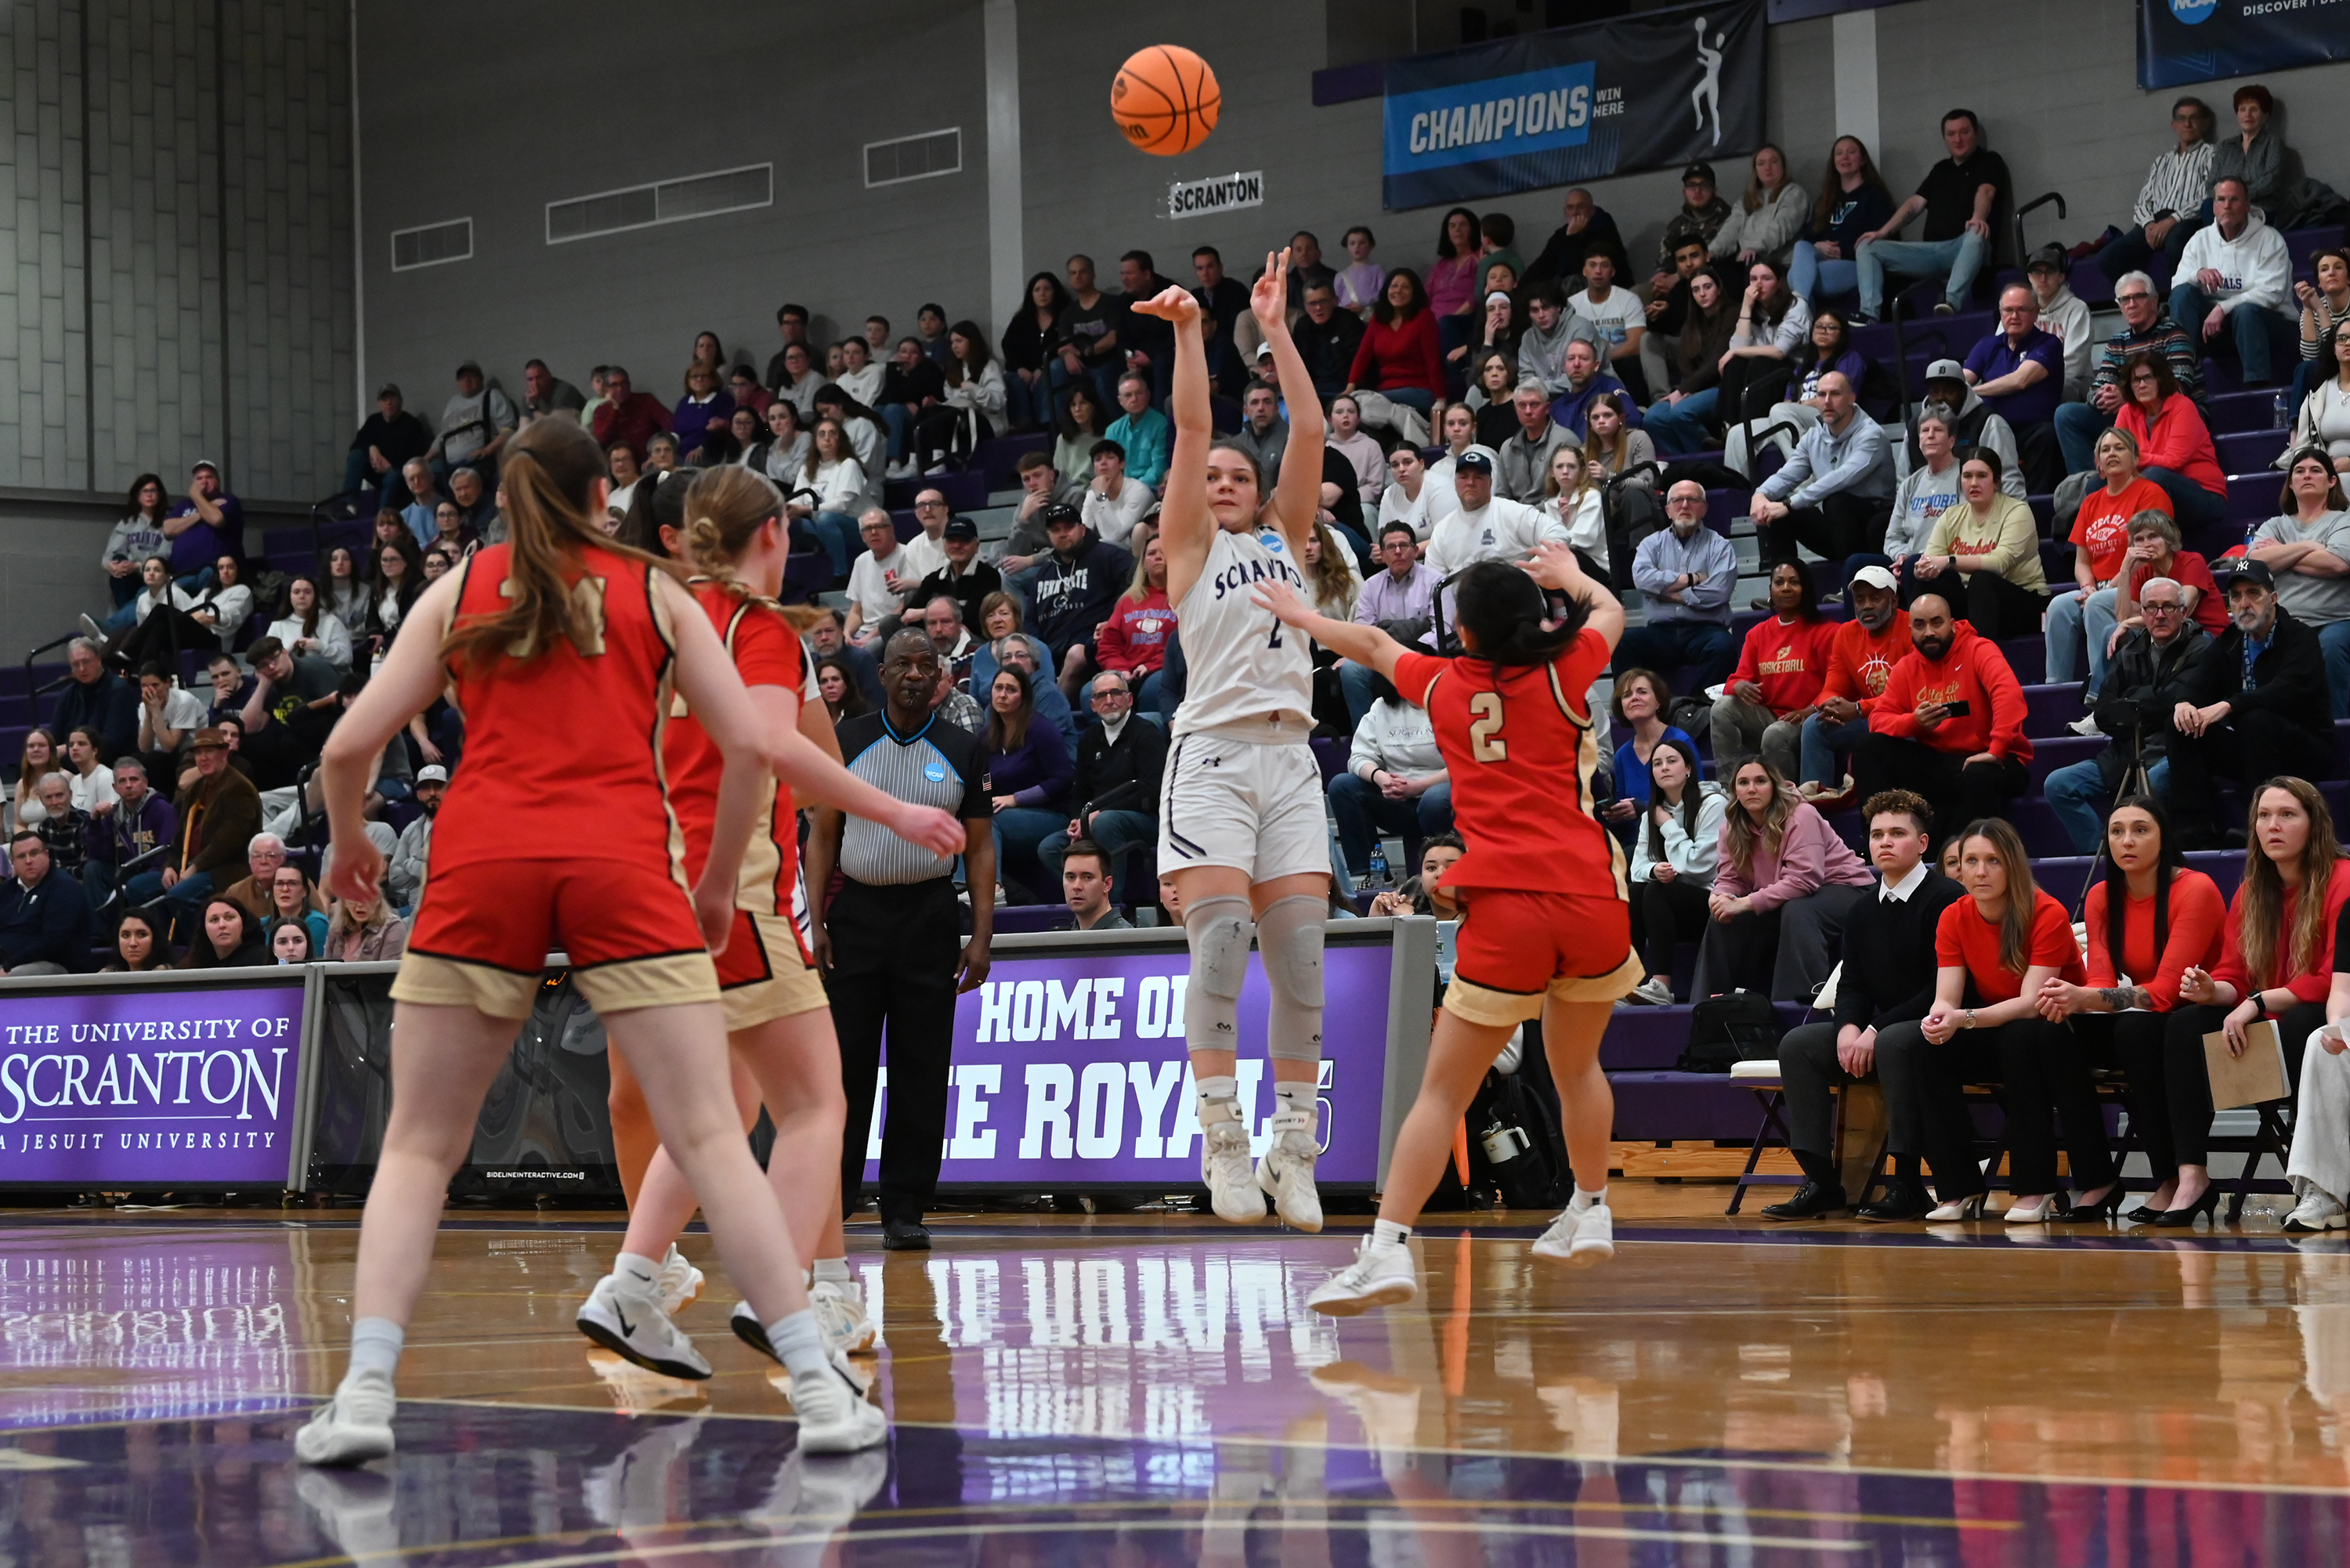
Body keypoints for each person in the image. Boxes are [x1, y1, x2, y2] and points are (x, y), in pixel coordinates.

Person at [293, 416, 902, 1468]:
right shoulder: (654, 591)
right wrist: (715, 887)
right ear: (602, 501)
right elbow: (756, 751)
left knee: (420, 1147)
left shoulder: (464, 587)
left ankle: (362, 1394)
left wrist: (349, 841)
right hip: (621, 862)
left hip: (483, 860)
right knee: (713, 1136)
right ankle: (820, 1389)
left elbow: (347, 745)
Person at [588, 468, 966, 1371]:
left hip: (636, 884)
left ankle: (642, 1283)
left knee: (728, 1107)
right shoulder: (749, 624)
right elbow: (772, 751)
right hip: (733, 883)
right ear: (763, 534)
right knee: (814, 1103)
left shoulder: (637, 621)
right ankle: (790, 1291)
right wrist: (896, 810)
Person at [1274, 546, 1637, 1315]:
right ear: (1531, 619)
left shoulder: (1442, 683)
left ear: (1463, 633)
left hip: (1508, 903)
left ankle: (1386, 1251)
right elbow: (1611, 610)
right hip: (1591, 891)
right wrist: (1569, 575)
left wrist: (1305, 617)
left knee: (1441, 1089)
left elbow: (1372, 644)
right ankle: (1592, 1205)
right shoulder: (1565, 669)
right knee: (1578, 1068)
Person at [1129, 251, 1335, 1233]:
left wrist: (1277, 329)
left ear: (1259, 495)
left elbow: (1310, 426)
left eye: (1233, 476)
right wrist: (1188, 331)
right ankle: (1221, 1137)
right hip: (1210, 755)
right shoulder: (1191, 550)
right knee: (1220, 947)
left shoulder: (1286, 538)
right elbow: (1195, 423)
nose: (1218, 478)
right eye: (1207, 477)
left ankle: (1293, 1145)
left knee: (1299, 963)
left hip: (1292, 759)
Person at [804, 631, 995, 1252]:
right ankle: (831, 1201)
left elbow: (983, 846)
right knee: (845, 1070)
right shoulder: (847, 740)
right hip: (856, 914)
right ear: (882, 674)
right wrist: (817, 921)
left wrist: (982, 934)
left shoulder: (965, 746)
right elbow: (823, 837)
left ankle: (905, 1207)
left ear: (941, 675)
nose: (915, 673)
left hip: (930, 915)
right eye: (903, 664)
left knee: (921, 1068)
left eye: (926, 664)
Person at [1882, 818, 2111, 1223]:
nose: (1980, 871)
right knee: (1925, 1048)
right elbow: (1946, 998)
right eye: (1970, 860)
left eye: (1993, 861)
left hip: (2063, 1029)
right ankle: (1958, 1186)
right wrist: (1939, 1021)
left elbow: (2030, 1003)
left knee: (2021, 1037)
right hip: (2000, 1026)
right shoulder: (1954, 916)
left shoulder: (2047, 911)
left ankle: (2034, 1186)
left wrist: (1962, 1018)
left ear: (2012, 866)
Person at [1763, 789, 1965, 1219]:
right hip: (1883, 1028)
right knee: (1799, 1044)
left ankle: (1908, 1183)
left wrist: (1873, 1030)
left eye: (1897, 833)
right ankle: (1822, 1181)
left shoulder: (1946, 898)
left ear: (1923, 844)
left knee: (1893, 1042)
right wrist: (1848, 1028)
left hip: (1938, 1025)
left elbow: (1939, 988)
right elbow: (1853, 984)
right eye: (1877, 835)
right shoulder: (1861, 909)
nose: (1885, 842)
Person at [2034, 797, 2228, 1224]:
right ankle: (2097, 1178)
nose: (2127, 841)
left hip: (2201, 1015)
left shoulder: (2195, 889)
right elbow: (2101, 980)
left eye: (2141, 830)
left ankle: (2175, 1178)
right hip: (2150, 1021)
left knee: (2135, 1034)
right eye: (2117, 831)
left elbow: (2165, 994)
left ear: (2163, 838)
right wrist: (2073, 1000)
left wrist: (2085, 998)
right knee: (2051, 1033)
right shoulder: (2104, 896)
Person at [2175, 778, 2350, 1228]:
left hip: (2326, 1021)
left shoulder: (2342, 880)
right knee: (2185, 1026)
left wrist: (2255, 1001)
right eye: (2264, 816)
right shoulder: (2252, 891)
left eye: (2287, 815)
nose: (2273, 826)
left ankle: (2319, 1182)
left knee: (2304, 1024)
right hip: (2265, 1030)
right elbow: (2236, 974)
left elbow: (2335, 980)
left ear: (2315, 825)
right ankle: (2190, 1175)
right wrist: (2212, 991)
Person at [2165, 562, 2337, 847]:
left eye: (2253, 594)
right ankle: (2192, 828)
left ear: (2273, 598)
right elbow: (2195, 683)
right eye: (2236, 596)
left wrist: (2229, 705)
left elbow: (2287, 691)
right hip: (2253, 748)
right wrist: (2184, 703)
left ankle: (2259, 824)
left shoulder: (2299, 637)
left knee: (2256, 719)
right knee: (2182, 725)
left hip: (2305, 748)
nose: (2244, 604)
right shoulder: (2229, 642)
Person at [2044, 575, 2214, 854]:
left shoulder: (2203, 647)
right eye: (2151, 608)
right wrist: (2151, 704)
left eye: (2168, 607)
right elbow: (2104, 713)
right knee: (2058, 785)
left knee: (2150, 788)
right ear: (2142, 613)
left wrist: (2134, 702)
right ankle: (2105, 852)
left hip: (2176, 753)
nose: (2159, 615)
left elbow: (2180, 700)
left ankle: (2147, 854)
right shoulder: (2129, 651)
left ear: (2184, 612)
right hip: (2125, 752)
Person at [1693, 757, 1875, 1003]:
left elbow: (1804, 880)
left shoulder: (1801, 815)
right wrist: (1721, 897)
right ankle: (1708, 1007)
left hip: (1848, 889)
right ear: (1735, 790)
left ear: (1774, 786)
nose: (1752, 789)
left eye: (1760, 781)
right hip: (1788, 895)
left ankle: (1796, 1006)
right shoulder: (1731, 826)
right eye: (1743, 783)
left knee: (1799, 910)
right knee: (1723, 918)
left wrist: (1745, 903)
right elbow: (1730, 877)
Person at [1853, 594, 2031, 844]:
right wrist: (1914, 722)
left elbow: (2008, 695)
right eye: (1920, 625)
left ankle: (1962, 855)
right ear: (1910, 629)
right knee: (1867, 747)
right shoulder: (1907, 667)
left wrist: (1997, 749)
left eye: (1937, 623)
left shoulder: (1979, 649)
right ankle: (1878, 839)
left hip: (1994, 759)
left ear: (1952, 623)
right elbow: (1879, 720)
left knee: (1979, 775)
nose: (1929, 632)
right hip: (1943, 763)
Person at [2047, 428, 2176, 692]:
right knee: (2058, 607)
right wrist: (2087, 587)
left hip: (2140, 585)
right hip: (2099, 588)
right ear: (2098, 464)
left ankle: (2101, 691)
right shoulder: (2091, 502)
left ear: (2135, 458)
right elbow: (2082, 561)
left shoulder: (2151, 494)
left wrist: (2103, 590)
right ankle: (2055, 690)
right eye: (2105, 450)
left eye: (2119, 448)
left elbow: (2147, 553)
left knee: (2096, 602)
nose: (2112, 454)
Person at [1853, 108, 2008, 323]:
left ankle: (1951, 302)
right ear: (1944, 138)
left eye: (1964, 132)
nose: (1958, 139)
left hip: (1968, 248)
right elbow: (1914, 204)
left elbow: (1986, 192)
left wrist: (1978, 217)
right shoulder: (1940, 169)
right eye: (1951, 134)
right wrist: (1882, 232)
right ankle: (1869, 314)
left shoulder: (1990, 161)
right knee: (1867, 247)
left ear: (1976, 134)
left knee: (1975, 232)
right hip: (1932, 252)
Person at [2055, 273, 2205, 477]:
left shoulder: (2173, 334)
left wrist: (2127, 397)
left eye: (2138, 297)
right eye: (2125, 299)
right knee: (2067, 415)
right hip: (2130, 417)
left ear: (2153, 302)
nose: (2131, 304)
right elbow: (2095, 390)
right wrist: (2105, 396)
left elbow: (2180, 386)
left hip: (2173, 417)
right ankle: (2089, 488)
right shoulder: (2118, 341)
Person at [1036, 670, 1165, 897]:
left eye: (1115, 693)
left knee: (1106, 822)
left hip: (1145, 819)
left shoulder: (1147, 734)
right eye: (1101, 696)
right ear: (1093, 705)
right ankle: (1090, 900)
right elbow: (1080, 790)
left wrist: (1101, 813)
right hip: (1096, 818)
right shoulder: (1089, 738)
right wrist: (1078, 818)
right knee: (1050, 848)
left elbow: (1151, 791)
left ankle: (1112, 908)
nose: (1109, 701)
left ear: (1129, 699)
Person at [1748, 372, 1892, 572]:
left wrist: (1790, 505)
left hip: (1873, 529)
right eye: (1821, 395)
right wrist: (1761, 494)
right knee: (1776, 511)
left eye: (1835, 394)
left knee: (1837, 501)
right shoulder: (1814, 436)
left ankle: (1853, 582)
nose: (1827, 401)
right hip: (1838, 529)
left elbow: (1841, 478)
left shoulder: (1872, 435)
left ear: (1852, 398)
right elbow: (1788, 474)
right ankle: (1782, 586)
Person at [2248, 449, 2350, 717]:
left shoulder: (2343, 520)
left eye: (2316, 470)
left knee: (2329, 649)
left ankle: (2337, 736)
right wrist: (2310, 546)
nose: (2307, 475)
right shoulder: (2275, 525)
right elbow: (2254, 565)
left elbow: (2338, 563)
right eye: (2299, 471)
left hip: (2335, 621)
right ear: (2291, 484)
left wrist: (2281, 553)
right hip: (2284, 621)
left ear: (2332, 481)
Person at [1710, 559, 1834, 779]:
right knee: (1722, 707)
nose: (1786, 588)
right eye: (1779, 582)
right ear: (1771, 589)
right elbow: (1735, 680)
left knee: (1775, 734)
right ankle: (1727, 790)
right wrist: (1739, 686)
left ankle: (1784, 800)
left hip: (1807, 720)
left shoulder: (1827, 632)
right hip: (1768, 717)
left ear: (1805, 588)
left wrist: (1810, 710)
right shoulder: (1757, 634)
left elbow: (1836, 685)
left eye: (1794, 582)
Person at [2171, 176, 2296, 389]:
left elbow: (2272, 292)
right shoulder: (2199, 240)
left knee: (2246, 311)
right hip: (2216, 329)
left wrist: (2224, 307)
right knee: (2183, 294)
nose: (2227, 206)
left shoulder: (2270, 239)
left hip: (2268, 325)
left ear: (2247, 205)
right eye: (2221, 200)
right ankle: (2180, 375)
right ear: (2213, 207)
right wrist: (2197, 273)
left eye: (2234, 200)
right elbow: (2177, 283)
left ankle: (2258, 387)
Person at [1330, 667, 1452, 885]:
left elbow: (1464, 764)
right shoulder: (1381, 708)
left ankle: (1446, 873)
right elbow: (1358, 757)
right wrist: (1381, 778)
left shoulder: (1449, 705)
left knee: (1435, 799)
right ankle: (1372, 876)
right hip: (1398, 801)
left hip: (1442, 798)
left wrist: (1417, 786)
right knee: (1342, 786)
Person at [1625, 738, 1723, 1006]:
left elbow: (1699, 866)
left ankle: (1662, 985)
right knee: (1636, 891)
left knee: (1657, 891)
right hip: (1665, 909)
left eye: (1671, 761)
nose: (1664, 768)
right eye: (1657, 764)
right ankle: (1628, 983)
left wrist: (1668, 825)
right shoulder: (1651, 815)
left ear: (1689, 768)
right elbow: (1637, 869)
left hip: (1711, 903)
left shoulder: (1712, 804)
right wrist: (1656, 870)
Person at [1798, 565, 1911, 797]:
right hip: (1869, 717)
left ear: (1894, 601)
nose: (1867, 605)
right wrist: (1830, 705)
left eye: (1875, 598)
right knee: (1815, 726)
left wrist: (1859, 708)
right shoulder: (1846, 634)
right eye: (1860, 599)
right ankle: (1815, 806)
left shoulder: (1912, 627)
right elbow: (1833, 686)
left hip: (1904, 717)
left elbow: (1909, 695)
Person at [1910, 450, 2046, 641]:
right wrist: (1922, 569)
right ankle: (1920, 657)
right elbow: (1931, 559)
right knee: (1925, 584)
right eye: (1967, 476)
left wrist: (1949, 560)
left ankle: (1980, 660)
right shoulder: (1951, 515)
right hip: (1975, 601)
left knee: (1982, 581)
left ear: (1996, 481)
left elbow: (2000, 563)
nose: (1973, 483)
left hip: (2024, 600)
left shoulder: (2017, 511)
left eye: (1982, 476)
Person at [1616, 480, 1738, 690]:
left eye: (1692, 500)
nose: (1684, 505)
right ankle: (1630, 709)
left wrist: (1665, 593)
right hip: (1660, 633)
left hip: (1704, 630)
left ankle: (1697, 708)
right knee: (1624, 644)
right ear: (1668, 510)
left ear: (1704, 509)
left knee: (1724, 646)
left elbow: (1718, 592)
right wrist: (1690, 580)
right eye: (1677, 500)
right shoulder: (1651, 544)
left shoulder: (1720, 546)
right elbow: (1642, 579)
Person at [2097, 97, 2216, 287]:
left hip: (2187, 220)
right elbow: (2143, 200)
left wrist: (2173, 220)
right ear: (2174, 125)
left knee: (2177, 246)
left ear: (2205, 123)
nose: (2188, 124)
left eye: (2194, 118)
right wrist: (2148, 225)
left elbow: (2209, 196)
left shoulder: (2212, 154)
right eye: (2182, 119)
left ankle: (2177, 304)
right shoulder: (2162, 161)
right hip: (2153, 221)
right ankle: (2138, 300)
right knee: (2107, 257)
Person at [980, 664, 1073, 901]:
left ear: (1024, 697)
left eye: (1011, 690)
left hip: (1049, 814)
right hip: (1005, 815)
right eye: (998, 688)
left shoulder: (1041, 729)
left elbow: (1062, 779)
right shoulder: (986, 735)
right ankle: (966, 887)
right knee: (969, 817)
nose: (1002, 694)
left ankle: (993, 889)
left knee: (987, 821)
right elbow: (982, 780)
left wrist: (1016, 799)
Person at [1963, 284, 2066, 493]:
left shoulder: (2049, 344)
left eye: (2022, 310)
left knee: (2047, 435)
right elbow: (1962, 379)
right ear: (2000, 314)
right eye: (2008, 310)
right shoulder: (1987, 345)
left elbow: (2020, 380)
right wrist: (1960, 388)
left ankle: (2037, 507)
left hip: (2032, 430)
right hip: (1992, 429)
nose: (2014, 316)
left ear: (2036, 313)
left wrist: (1972, 392)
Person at [1032, 505, 1135, 699]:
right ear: (1048, 535)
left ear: (1082, 529)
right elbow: (1031, 620)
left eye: (1068, 528)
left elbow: (1135, 587)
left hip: (1091, 644)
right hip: (1051, 649)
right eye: (1056, 530)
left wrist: (1113, 622)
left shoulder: (1107, 556)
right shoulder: (1043, 573)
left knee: (1077, 653)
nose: (1063, 534)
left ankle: (1051, 711)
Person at [1642, 268, 1739, 456]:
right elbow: (1686, 366)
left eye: (1707, 287)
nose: (1702, 294)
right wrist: (1688, 390)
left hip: (1723, 386)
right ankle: (1686, 461)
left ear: (1718, 289)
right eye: (1696, 290)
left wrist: (1684, 390)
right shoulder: (1691, 323)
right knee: (1652, 417)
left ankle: (1711, 459)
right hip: (1696, 388)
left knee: (1681, 412)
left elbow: (1716, 362)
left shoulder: (1733, 314)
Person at [1789, 135, 1895, 305]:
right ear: (1834, 162)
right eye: (1839, 153)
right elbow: (1809, 237)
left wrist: (1843, 252)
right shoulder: (1826, 199)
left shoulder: (1875, 196)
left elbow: (1884, 244)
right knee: (1801, 248)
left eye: (1851, 152)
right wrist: (1818, 246)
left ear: (1862, 160)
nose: (1845, 157)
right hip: (1823, 261)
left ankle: (1800, 315)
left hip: (1858, 265)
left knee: (1800, 277)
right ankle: (1802, 315)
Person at [1599, 669, 1694, 837]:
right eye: (1627, 695)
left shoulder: (1680, 741)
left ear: (1658, 702)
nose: (1635, 697)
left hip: (1679, 837)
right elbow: (1626, 819)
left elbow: (1695, 798)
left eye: (1642, 692)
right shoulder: (1622, 755)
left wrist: (1642, 808)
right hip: (1639, 845)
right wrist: (1616, 815)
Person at [1094, 534, 1175, 714]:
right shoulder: (1128, 601)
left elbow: (1185, 645)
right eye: (1151, 553)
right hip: (1128, 672)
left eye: (1164, 552)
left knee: (1152, 690)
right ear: (1143, 564)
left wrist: (1151, 666)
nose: (1158, 557)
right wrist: (1120, 669)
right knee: (1089, 694)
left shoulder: (1184, 598)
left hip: (1163, 671)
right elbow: (1109, 643)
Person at [1345, 270, 1444, 417]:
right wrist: (1350, 387)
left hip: (1418, 390)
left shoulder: (1424, 317)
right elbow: (1363, 355)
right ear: (1387, 291)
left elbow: (1433, 360)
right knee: (1350, 405)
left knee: (1366, 403)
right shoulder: (1379, 319)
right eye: (1394, 286)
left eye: (1405, 287)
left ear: (1414, 293)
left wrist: (1441, 398)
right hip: (1385, 391)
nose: (1398, 290)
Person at [0, 830, 91, 975]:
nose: (29, 861)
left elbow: (52, 943)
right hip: (8, 962)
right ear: (13, 863)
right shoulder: (6, 890)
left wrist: (8, 967)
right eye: (22, 856)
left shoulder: (65, 888)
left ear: (47, 855)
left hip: (57, 965)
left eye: (34, 853)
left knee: (16, 976)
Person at [1565, 247, 1648, 403]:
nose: (1598, 271)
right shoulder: (1572, 304)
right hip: (1585, 365)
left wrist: (1603, 359)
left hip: (1620, 362)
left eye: (1604, 265)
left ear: (1612, 271)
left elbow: (1637, 344)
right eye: (1592, 265)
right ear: (1584, 271)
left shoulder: (1628, 299)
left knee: (1633, 363)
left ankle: (1637, 410)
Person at [1711, 144, 1807, 274]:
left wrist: (1755, 248)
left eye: (1774, 162)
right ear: (1755, 170)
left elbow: (1782, 227)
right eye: (1761, 163)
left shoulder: (1794, 193)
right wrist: (1712, 251)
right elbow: (1731, 228)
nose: (1768, 167)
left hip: (1779, 264)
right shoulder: (1747, 199)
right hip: (1747, 260)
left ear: (1783, 166)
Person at [2026, 244, 2095, 403]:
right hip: (2027, 379)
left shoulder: (2077, 308)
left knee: (2059, 388)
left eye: (2049, 272)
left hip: (2075, 381)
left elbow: (2074, 364)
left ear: (2061, 277)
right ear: (2029, 277)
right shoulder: (2019, 308)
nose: (2043, 279)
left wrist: (2031, 380)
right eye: (2037, 272)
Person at [51, 639, 138, 764]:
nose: (82, 669)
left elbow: (111, 743)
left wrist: (67, 750)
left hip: (112, 762)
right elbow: (54, 737)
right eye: (76, 664)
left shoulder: (119, 690)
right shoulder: (67, 695)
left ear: (98, 660)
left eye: (86, 662)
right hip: (73, 761)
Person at [424, 361, 515, 478]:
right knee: (425, 474)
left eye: (471, 375)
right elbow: (443, 435)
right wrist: (425, 459)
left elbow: (508, 431)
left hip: (476, 461)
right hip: (447, 463)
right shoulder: (453, 403)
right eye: (462, 377)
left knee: (466, 480)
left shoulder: (492, 396)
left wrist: (486, 450)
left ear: (481, 379)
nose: (467, 380)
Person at [99, 475, 172, 617]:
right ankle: (126, 617)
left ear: (160, 495)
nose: (149, 495)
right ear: (138, 496)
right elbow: (108, 556)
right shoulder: (128, 523)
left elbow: (164, 557)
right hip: (129, 578)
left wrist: (137, 566)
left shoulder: (168, 523)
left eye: (153, 491)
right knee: (119, 560)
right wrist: (112, 566)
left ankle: (124, 619)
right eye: (145, 491)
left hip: (153, 578)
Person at [1495, 380, 1576, 504]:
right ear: (1515, 409)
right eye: (1522, 405)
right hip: (1515, 518)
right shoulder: (1507, 448)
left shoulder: (1565, 441)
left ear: (1547, 408)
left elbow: (1569, 491)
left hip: (1554, 515)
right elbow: (1502, 495)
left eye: (1534, 405)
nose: (1528, 411)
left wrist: (1529, 517)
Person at [1525, 187, 1623, 287]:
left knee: (1572, 281)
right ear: (1565, 212)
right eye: (1570, 207)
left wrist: (1572, 237)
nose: (1575, 212)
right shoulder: (1562, 234)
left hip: (1605, 288)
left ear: (1592, 210)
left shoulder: (1605, 231)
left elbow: (1577, 270)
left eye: (1581, 207)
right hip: (1569, 290)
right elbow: (1542, 265)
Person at [163, 460, 242, 578]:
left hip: (215, 574)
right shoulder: (184, 505)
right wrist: (199, 514)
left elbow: (216, 520)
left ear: (218, 481)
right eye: (199, 479)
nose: (204, 482)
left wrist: (196, 495)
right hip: (181, 575)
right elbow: (168, 529)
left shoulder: (227, 500)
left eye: (209, 477)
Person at [1103, 374, 1172, 496]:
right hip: (1119, 490)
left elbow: (1158, 470)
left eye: (1139, 393)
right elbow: (1109, 470)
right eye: (1128, 395)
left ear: (1148, 395)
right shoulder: (1112, 430)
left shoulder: (1161, 424)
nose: (1134, 399)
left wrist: (1130, 488)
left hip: (1150, 490)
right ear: (1120, 401)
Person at [175, 897, 265, 970]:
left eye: (229, 917)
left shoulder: (260, 958)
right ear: (204, 928)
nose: (222, 925)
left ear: (243, 922)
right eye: (214, 920)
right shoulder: (195, 963)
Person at [1059, 841, 1130, 931]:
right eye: (1070, 877)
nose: (1076, 886)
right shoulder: (1065, 940)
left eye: (1088, 877)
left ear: (1107, 884)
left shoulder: (1124, 940)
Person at [324, 891, 407, 963]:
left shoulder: (393, 927)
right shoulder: (337, 928)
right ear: (345, 902)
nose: (360, 904)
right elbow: (325, 969)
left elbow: (388, 976)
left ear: (378, 900)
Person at [100, 905, 167, 973]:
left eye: (142, 935)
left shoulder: (166, 975)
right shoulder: (108, 974)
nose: (133, 943)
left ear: (155, 939)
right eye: (125, 935)